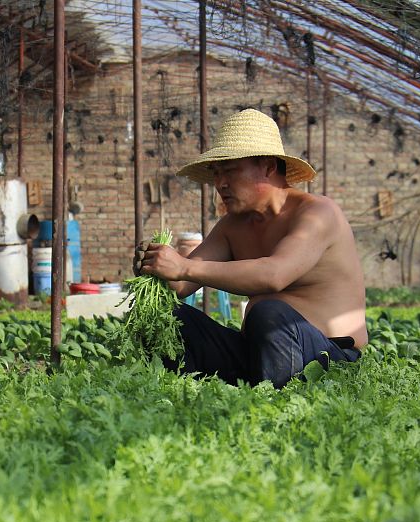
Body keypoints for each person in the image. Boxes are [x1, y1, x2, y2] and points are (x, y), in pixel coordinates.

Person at [134, 108, 366, 388]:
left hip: (325, 358)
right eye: (217, 174)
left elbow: (273, 275)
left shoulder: (318, 213)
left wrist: (183, 266)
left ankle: (273, 403)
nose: (220, 184)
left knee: (269, 312)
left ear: (268, 167)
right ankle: (175, 392)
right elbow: (181, 286)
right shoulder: (233, 224)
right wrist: (156, 265)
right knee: (172, 318)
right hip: (260, 352)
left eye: (230, 171)